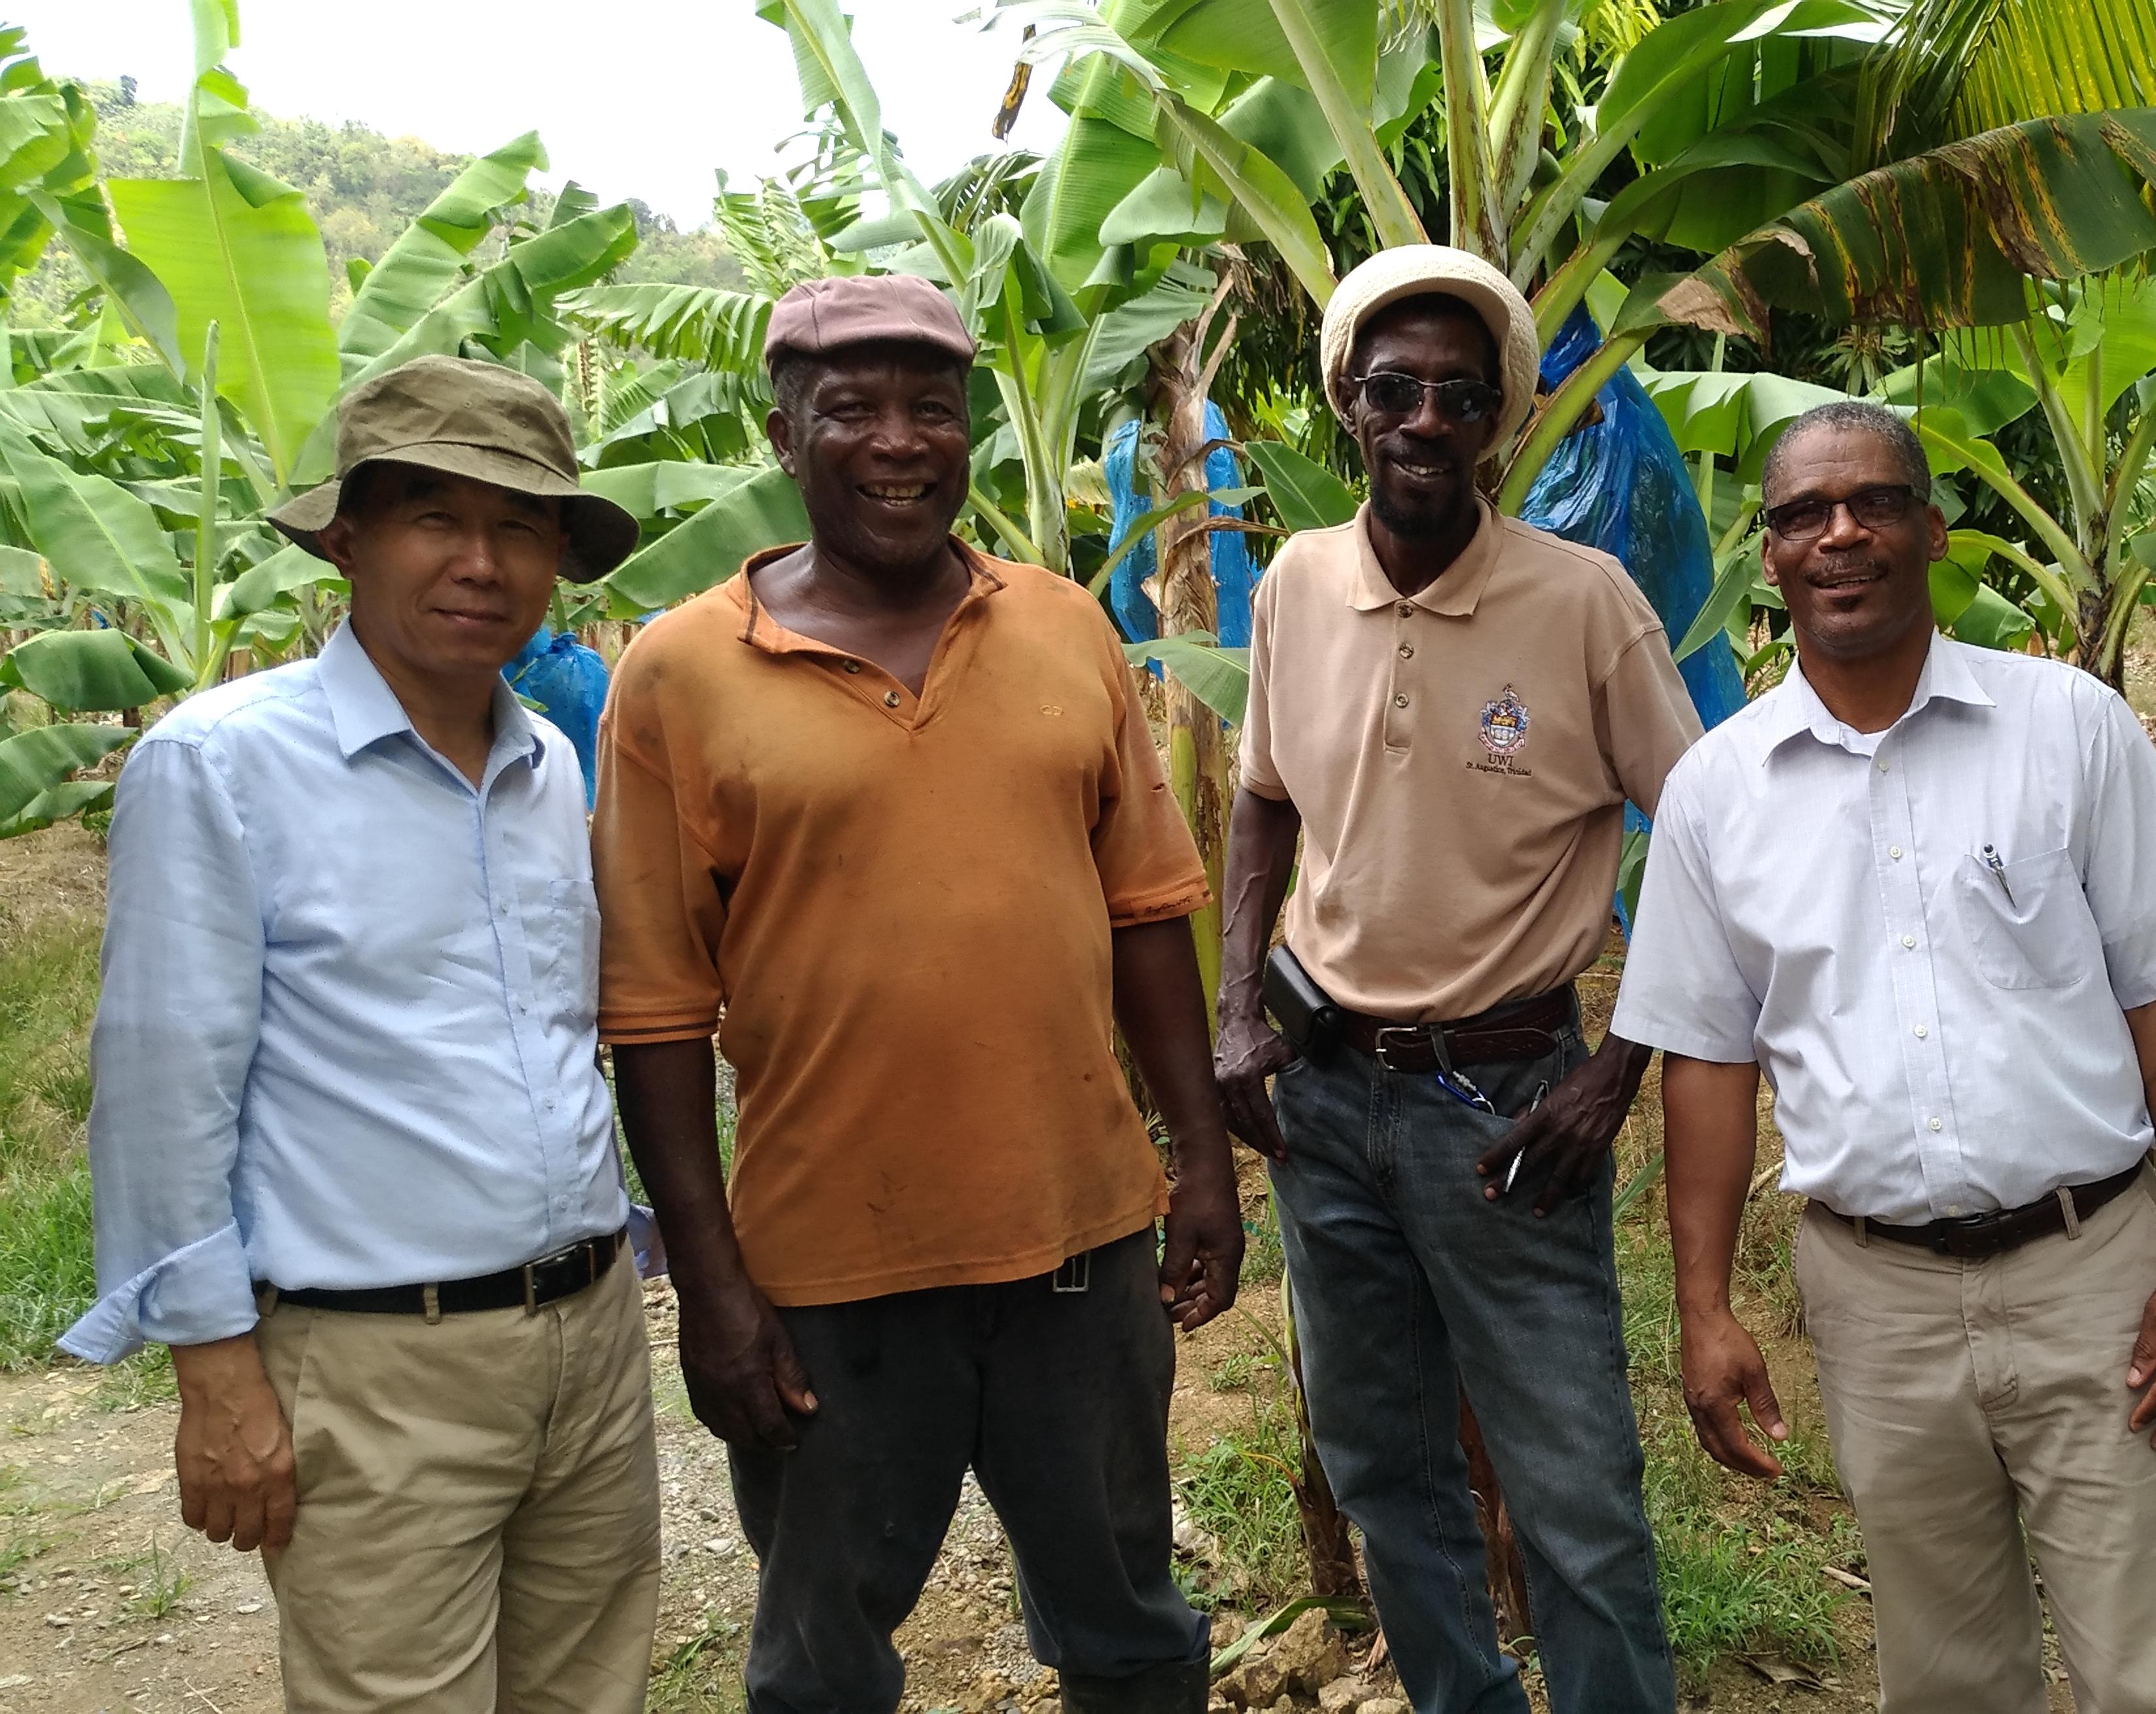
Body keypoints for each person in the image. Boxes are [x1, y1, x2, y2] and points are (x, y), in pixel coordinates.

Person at [595, 273, 1240, 1714]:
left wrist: (1199, 1156)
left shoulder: (1068, 628)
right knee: (824, 1659)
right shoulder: (678, 674)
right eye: (854, 409)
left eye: (930, 410)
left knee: (1131, 1625)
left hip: (1079, 1251)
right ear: (783, 434)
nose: (899, 441)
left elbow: (1146, 914)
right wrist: (711, 1285)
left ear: (968, 436)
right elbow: (649, 1010)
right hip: (830, 1280)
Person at [1614, 400, 2156, 1714]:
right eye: (1802, 513)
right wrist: (1704, 1306)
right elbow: (1707, 1060)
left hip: (2095, 1276)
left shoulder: (2065, 724)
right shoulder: (1719, 792)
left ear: (1930, 528)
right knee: (1947, 1672)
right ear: (1773, 555)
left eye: (1872, 503)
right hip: (1876, 1299)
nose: (1838, 533)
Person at [63, 355, 658, 1710]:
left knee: (592, 1690)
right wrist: (215, 1373)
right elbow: (163, 1091)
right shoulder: (223, 764)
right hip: (378, 1362)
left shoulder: (546, 764)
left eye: (520, 526)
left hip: (589, 1333)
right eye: (433, 516)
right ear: (348, 535)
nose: (480, 560)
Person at [1212, 243, 1701, 1714]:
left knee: (1573, 1490)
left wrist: (1622, 1063)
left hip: (1508, 1103)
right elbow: (1261, 799)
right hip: (1324, 1098)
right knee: (1383, 1468)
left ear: (1498, 416)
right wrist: (1239, 1008)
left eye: (1457, 393)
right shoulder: (1297, 583)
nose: (1424, 416)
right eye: (1393, 388)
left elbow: (1710, 837)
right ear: (1349, 407)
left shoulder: (1584, 602)